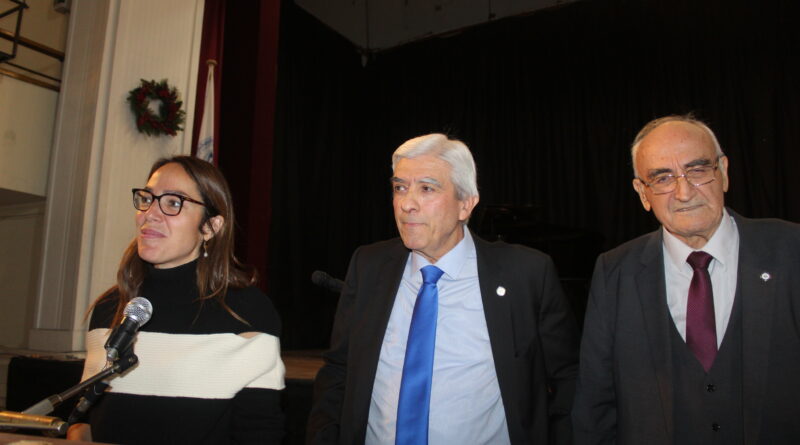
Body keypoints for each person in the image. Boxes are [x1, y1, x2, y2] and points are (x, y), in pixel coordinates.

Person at [307, 134, 579, 445]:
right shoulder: (369, 266)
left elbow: (568, 378)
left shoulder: (525, 274)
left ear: (466, 204)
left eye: (427, 188)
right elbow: (338, 371)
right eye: (400, 188)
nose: (406, 204)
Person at [572, 115, 800, 444]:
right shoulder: (615, 272)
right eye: (662, 177)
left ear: (724, 172)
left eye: (697, 170)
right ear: (643, 193)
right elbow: (595, 406)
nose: (683, 192)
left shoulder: (791, 250)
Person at [67, 156, 285, 444]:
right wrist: (78, 430)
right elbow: (86, 416)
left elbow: (259, 433)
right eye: (147, 199)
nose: (150, 214)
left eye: (173, 202)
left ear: (210, 227)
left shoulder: (248, 312)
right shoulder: (111, 307)